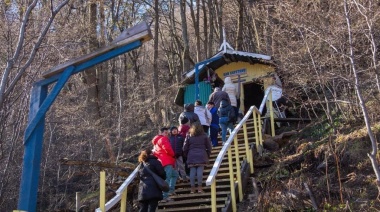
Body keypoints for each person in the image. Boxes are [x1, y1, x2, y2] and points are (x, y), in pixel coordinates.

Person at [183, 123, 212, 194]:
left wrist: (187, 155)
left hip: (191, 155)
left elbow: (185, 147)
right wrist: (207, 154)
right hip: (202, 154)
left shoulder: (189, 135)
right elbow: (209, 147)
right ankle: (199, 187)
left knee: (192, 172)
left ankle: (192, 188)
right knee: (200, 172)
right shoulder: (204, 135)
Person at [152, 127, 178, 202]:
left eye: (167, 133)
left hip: (162, 161)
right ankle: (164, 196)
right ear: (161, 133)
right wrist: (173, 154)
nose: (167, 134)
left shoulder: (156, 142)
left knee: (175, 175)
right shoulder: (163, 139)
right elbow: (167, 148)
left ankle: (170, 190)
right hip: (166, 161)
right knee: (167, 178)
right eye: (165, 133)